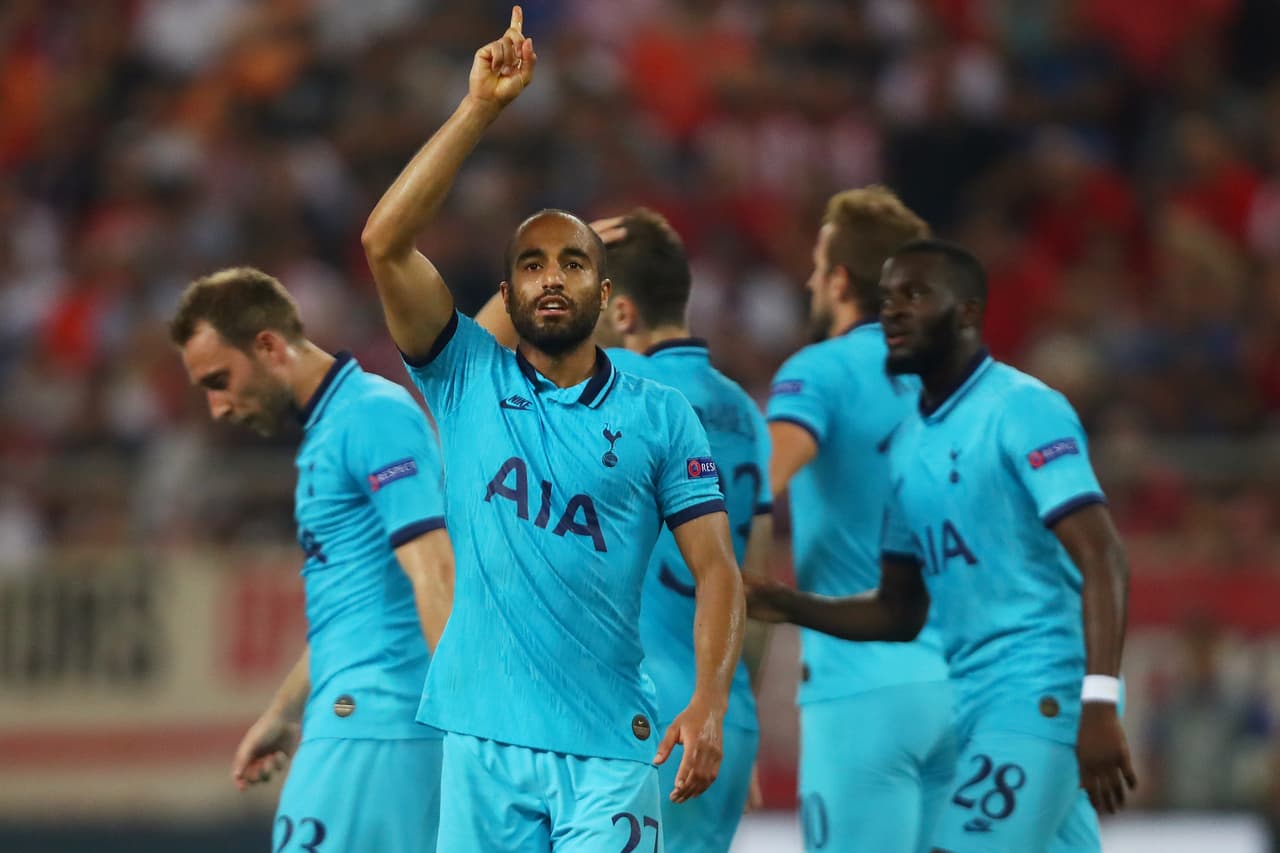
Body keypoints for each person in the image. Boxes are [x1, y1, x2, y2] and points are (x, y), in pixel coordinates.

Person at [359, 8, 746, 852]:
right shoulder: (465, 377)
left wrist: (710, 699)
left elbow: (718, 567)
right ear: (507, 295)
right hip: (481, 742)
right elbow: (385, 242)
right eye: (531, 265)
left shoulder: (660, 415)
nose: (552, 278)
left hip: (609, 746)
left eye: (573, 262)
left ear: (606, 298)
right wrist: (479, 109)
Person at [749, 239, 1138, 853]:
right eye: (887, 299)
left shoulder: (1023, 410)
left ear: (967, 314)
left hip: (1040, 696)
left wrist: (1100, 701)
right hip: (973, 703)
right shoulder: (907, 446)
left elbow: (1102, 555)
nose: (893, 312)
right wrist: (786, 603)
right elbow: (899, 611)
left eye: (915, 295)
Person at [476, 207, 772, 851]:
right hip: (720, 709)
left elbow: (473, 359)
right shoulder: (746, 412)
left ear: (622, 312)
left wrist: (536, 271)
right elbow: (752, 583)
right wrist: (723, 709)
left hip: (634, 710)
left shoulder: (622, 390)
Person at [168, 266, 454, 852]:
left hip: (376, 723)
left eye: (220, 380)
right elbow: (357, 606)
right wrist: (283, 712)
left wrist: (469, 712)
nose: (218, 407)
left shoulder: (373, 416)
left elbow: (435, 567)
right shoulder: (336, 427)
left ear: (269, 347)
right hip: (360, 718)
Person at [765, 186, 954, 853]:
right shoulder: (954, 376)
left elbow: (755, 482)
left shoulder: (820, 371)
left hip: (862, 690)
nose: (810, 281)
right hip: (964, 689)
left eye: (819, 266)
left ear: (842, 280)